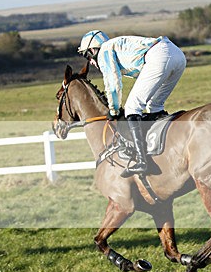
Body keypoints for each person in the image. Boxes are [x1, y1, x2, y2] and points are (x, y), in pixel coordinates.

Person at [77, 30, 186, 177]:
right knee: (154, 106)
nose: (90, 61)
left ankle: (142, 161)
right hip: (177, 55)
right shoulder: (116, 47)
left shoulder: (104, 52)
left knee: (131, 108)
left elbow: (113, 85)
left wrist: (114, 110)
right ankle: (164, 148)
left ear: (93, 50)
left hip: (160, 55)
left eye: (87, 56)